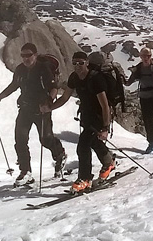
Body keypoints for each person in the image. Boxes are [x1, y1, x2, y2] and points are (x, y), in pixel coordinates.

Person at [0, 43, 67, 186]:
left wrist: (48, 103)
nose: (25, 58)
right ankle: (25, 171)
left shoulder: (43, 68)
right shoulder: (20, 70)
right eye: (23, 55)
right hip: (25, 109)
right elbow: (13, 86)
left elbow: (54, 87)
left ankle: (60, 155)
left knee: (45, 139)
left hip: (41, 110)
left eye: (28, 55)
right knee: (20, 140)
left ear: (35, 55)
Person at [46, 51, 116, 192]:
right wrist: (50, 108)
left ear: (87, 63)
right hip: (87, 115)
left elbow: (104, 106)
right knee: (93, 141)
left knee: (83, 145)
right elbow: (65, 97)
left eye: (81, 63)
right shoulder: (74, 77)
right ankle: (108, 162)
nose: (77, 66)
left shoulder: (96, 79)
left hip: (99, 116)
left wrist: (105, 127)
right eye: (75, 63)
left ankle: (85, 178)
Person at [126, 47, 153, 153]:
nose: (146, 58)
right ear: (140, 56)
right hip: (144, 95)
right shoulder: (139, 68)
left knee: (150, 117)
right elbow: (128, 82)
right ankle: (151, 143)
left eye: (148, 56)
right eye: (143, 56)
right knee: (146, 118)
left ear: (150, 56)